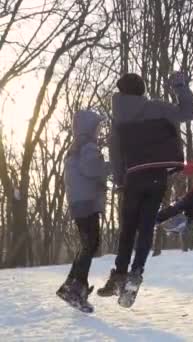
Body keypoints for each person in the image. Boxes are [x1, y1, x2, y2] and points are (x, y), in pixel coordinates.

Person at [97, 71, 193, 308]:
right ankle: (135, 273)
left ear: (121, 93)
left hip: (132, 177)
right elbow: (187, 113)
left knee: (128, 229)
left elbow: (115, 150)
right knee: (146, 226)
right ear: (142, 90)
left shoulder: (119, 117)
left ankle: (120, 273)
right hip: (156, 175)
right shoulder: (157, 108)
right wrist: (180, 87)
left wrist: (121, 180)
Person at [57, 109, 108, 313]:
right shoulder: (88, 147)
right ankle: (75, 288)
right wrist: (114, 167)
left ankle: (73, 286)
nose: (99, 131)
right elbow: (92, 169)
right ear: (89, 128)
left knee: (88, 244)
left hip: (79, 202)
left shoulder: (76, 148)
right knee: (90, 244)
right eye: (98, 127)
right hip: (86, 202)